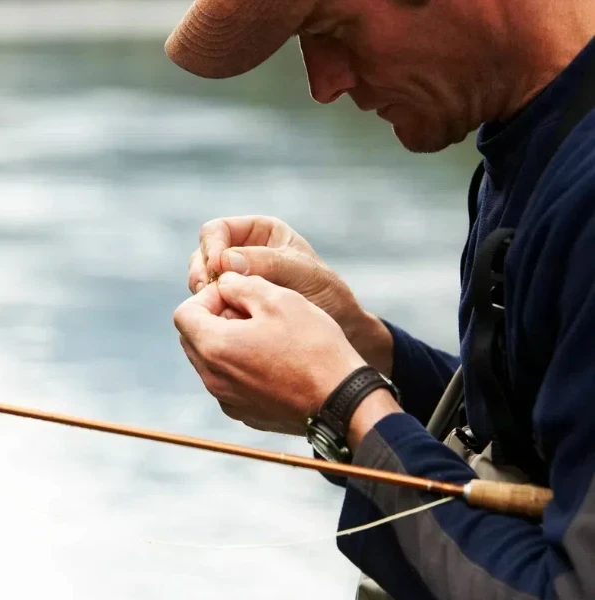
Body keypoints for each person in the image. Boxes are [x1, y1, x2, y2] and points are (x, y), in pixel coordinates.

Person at [166, 1, 595, 599]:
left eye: (333, 31)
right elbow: (551, 428)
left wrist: (345, 404)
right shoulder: (541, 138)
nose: (324, 85)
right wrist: (364, 349)